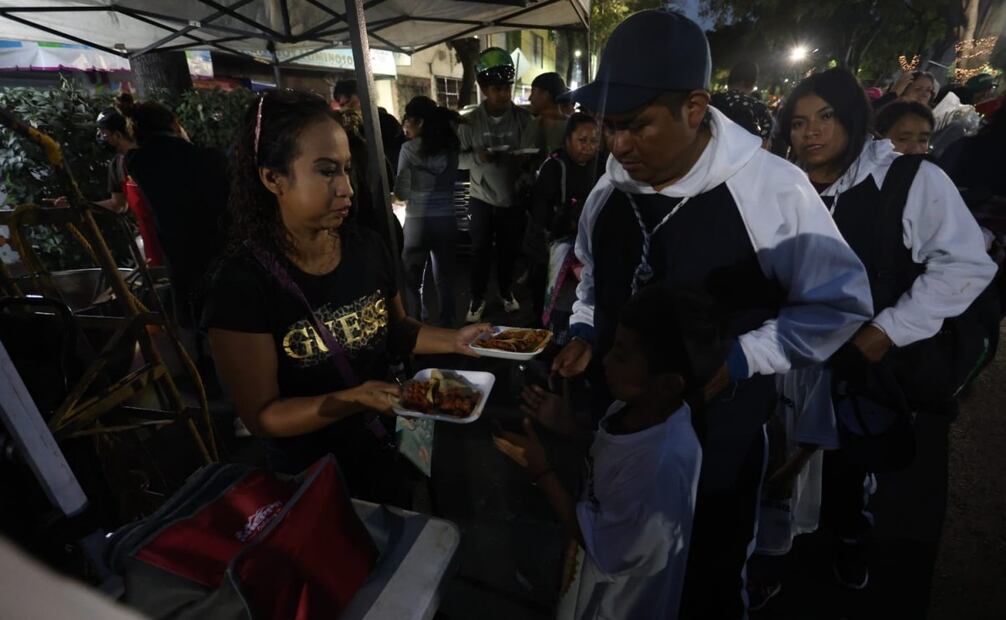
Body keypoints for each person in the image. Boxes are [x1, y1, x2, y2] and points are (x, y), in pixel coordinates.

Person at [552, 10, 874, 618]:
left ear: (695, 107)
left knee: (707, 578)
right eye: (609, 125)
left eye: (637, 126)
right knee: (617, 574)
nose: (618, 146)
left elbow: (839, 302)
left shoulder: (771, 189)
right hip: (621, 431)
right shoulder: (608, 190)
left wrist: (744, 356)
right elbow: (594, 275)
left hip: (717, 440)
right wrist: (586, 328)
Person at [205, 90, 490, 504]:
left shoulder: (366, 247)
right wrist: (349, 401)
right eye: (326, 172)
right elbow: (263, 416)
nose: (346, 190)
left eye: (347, 170)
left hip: (388, 444)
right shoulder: (241, 285)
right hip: (314, 476)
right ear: (273, 178)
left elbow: (398, 330)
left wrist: (455, 339)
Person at [779, 67, 997, 590]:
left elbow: (966, 264)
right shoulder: (784, 187)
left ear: (854, 119)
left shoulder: (910, 178)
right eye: (799, 122)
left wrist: (888, 330)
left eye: (825, 117)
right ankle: (780, 549)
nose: (811, 132)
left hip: (871, 362)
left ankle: (850, 539)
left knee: (851, 460)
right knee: (789, 457)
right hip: (794, 357)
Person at [495, 286, 724, 620]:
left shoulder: (661, 467)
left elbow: (598, 541)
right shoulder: (635, 408)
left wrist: (540, 469)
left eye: (621, 355)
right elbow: (610, 453)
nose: (604, 360)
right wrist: (571, 427)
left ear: (669, 384)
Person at [122, 99, 228, 329]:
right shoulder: (209, 158)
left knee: (191, 322)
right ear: (174, 123)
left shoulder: (137, 162)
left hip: (176, 254)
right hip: (218, 253)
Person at [458, 47, 534, 322]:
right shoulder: (468, 122)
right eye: (497, 88)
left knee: (508, 250)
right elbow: (458, 161)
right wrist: (478, 157)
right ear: (482, 87)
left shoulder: (524, 120)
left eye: (506, 87)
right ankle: (476, 298)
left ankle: (505, 291)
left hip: (511, 197)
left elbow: (532, 157)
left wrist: (523, 164)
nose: (504, 93)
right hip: (479, 197)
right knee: (478, 251)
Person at [52, 98, 166, 266]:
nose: (102, 138)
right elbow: (118, 205)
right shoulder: (117, 165)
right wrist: (79, 204)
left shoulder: (152, 156)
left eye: (104, 134)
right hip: (148, 237)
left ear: (118, 135)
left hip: (170, 232)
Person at [532, 113, 601, 342]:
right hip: (556, 248)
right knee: (551, 301)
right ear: (568, 139)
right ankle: (544, 341)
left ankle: (572, 338)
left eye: (594, 141)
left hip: (589, 248)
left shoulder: (601, 166)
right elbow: (540, 212)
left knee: (581, 299)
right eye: (583, 140)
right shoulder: (554, 167)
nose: (588, 147)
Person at [395, 96, 461, 327]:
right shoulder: (451, 147)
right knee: (445, 279)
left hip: (417, 223)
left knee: (412, 281)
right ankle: (448, 326)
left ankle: (417, 327)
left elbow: (402, 192)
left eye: (408, 121)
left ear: (419, 122)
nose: (405, 126)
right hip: (446, 221)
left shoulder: (408, 149)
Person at [333, 79, 403, 179]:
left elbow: (397, 156)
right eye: (342, 105)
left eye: (352, 103)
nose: (348, 109)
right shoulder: (347, 129)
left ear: (364, 98)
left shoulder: (386, 121)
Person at [710, 60, 774, 147]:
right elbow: (764, 146)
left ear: (729, 80)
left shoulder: (711, 100)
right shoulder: (760, 109)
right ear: (752, 82)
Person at [527, 71, 570, 154]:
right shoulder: (533, 124)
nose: (530, 98)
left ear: (545, 95)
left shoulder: (573, 127)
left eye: (533, 92)